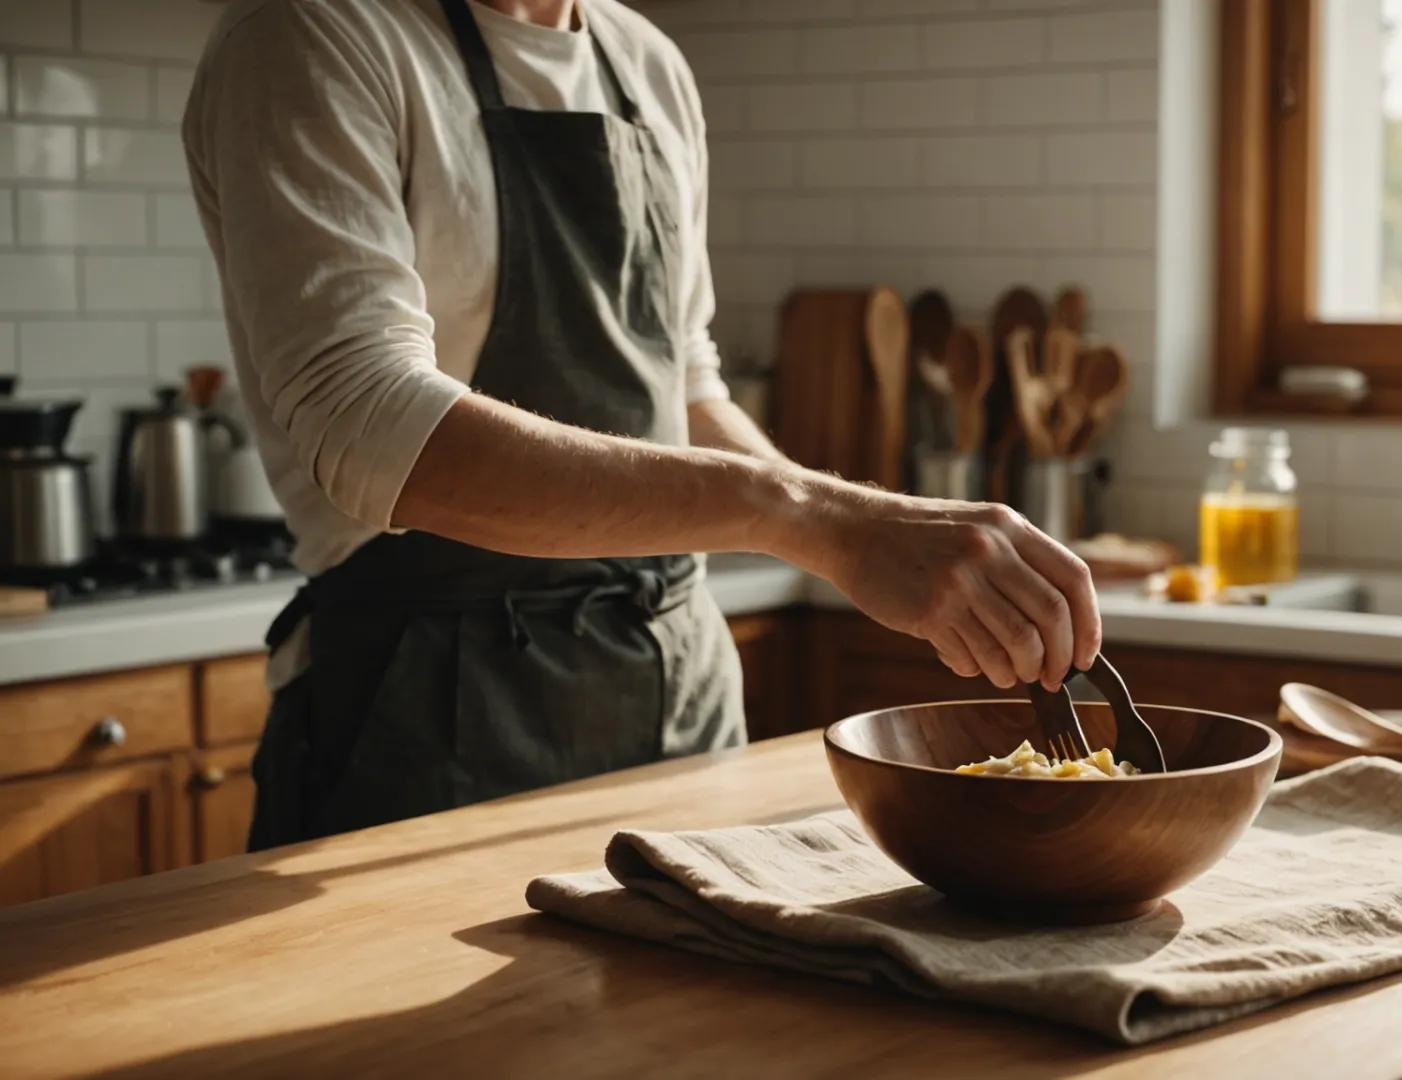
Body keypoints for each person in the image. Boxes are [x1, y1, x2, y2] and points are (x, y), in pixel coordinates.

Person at [183, 0, 1100, 849]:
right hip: (427, 707)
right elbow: (371, 423)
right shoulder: (315, 34)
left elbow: (687, 384)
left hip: (675, 690)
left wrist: (872, 533)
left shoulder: (647, 64)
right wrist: (823, 520)